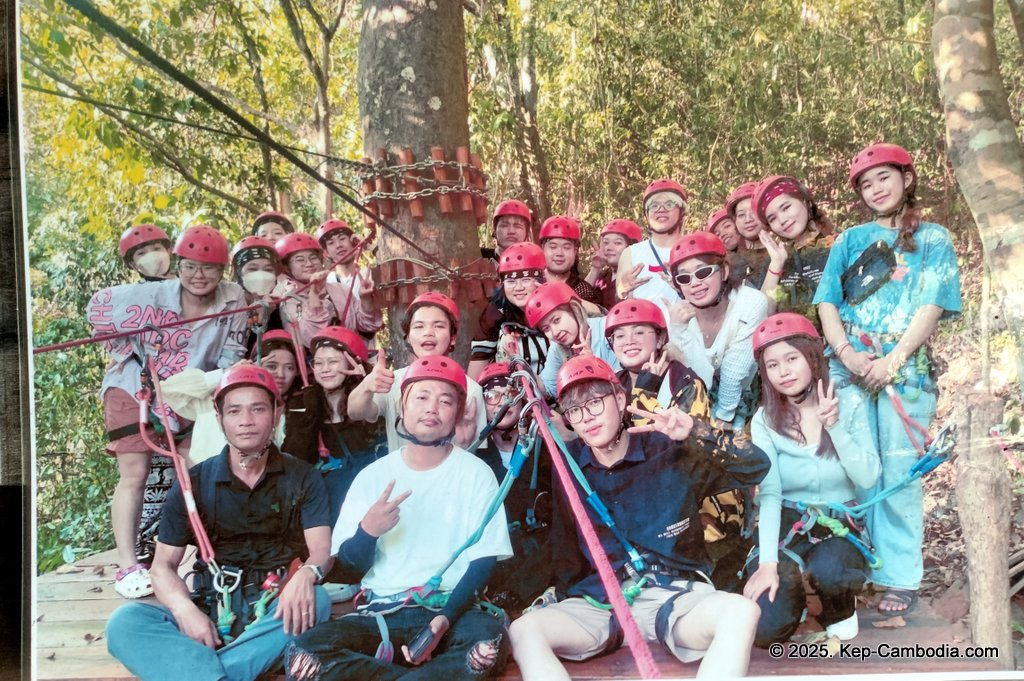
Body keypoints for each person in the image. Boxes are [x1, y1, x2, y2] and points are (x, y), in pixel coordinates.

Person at [508, 356, 769, 679]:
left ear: (620, 400)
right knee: (524, 631)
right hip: (599, 602)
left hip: (673, 595)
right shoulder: (566, 465)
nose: (586, 417)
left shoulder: (667, 449)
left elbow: (756, 467)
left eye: (595, 402)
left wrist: (695, 431)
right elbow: (547, 533)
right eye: (574, 409)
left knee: (741, 612)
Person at [285, 357, 513, 681]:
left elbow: (483, 561)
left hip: (452, 611)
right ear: (401, 407)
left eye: (445, 400)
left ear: (459, 412)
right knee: (303, 657)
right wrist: (368, 531)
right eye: (421, 397)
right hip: (382, 613)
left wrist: (444, 620)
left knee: (486, 646)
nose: (432, 407)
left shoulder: (477, 474)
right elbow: (348, 570)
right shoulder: (373, 476)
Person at [106, 365, 332, 681]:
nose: (246, 421)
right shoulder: (194, 483)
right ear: (219, 418)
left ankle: (202, 672)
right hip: (211, 605)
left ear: (276, 414)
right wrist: (185, 611)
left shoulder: (302, 477)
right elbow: (161, 568)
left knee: (318, 601)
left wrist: (307, 575)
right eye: (234, 411)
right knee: (125, 622)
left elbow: (321, 551)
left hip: (274, 606)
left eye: (258, 409)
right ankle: (224, 671)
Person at [813, 142, 961, 615]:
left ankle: (898, 577)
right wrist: (846, 352)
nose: (877, 188)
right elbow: (827, 301)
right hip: (850, 362)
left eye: (884, 177)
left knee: (899, 470)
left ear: (907, 178)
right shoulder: (850, 239)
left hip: (905, 368)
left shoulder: (934, 238)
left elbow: (932, 304)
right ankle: (861, 568)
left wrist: (893, 359)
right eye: (866, 182)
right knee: (857, 467)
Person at [88, 225, 249, 599]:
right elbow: (96, 309)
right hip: (135, 385)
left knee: (199, 468)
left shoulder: (233, 299)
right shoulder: (152, 294)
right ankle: (128, 564)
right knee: (135, 473)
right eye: (190, 267)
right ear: (177, 265)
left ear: (222, 270)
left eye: (209, 268)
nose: (199, 276)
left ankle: (195, 556)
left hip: (192, 389)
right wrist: (130, 333)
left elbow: (231, 355)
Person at [742, 313, 880, 644]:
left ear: (813, 357)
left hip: (838, 522)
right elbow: (771, 493)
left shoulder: (849, 402)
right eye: (772, 365)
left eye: (792, 358)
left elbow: (868, 477)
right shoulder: (765, 419)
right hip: (788, 520)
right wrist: (767, 564)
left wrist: (834, 426)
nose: (783, 371)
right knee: (765, 629)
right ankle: (795, 600)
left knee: (830, 571)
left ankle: (839, 607)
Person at [605, 299, 748, 589]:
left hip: (696, 503)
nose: (628, 341)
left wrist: (645, 388)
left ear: (660, 338)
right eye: (619, 335)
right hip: (647, 497)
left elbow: (670, 453)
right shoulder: (614, 383)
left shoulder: (683, 381)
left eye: (639, 332)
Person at [348, 292, 488, 452]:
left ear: (453, 337)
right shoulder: (392, 381)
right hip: (399, 476)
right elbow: (355, 413)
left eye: (439, 326)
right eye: (419, 326)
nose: (428, 332)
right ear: (407, 337)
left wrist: (463, 444)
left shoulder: (470, 390)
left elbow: (477, 455)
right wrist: (366, 386)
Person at [283, 326, 387, 527]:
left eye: (333, 362)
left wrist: (365, 385)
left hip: (369, 503)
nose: (324, 369)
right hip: (325, 510)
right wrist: (310, 415)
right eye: (318, 363)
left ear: (352, 363)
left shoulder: (372, 402)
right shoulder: (303, 403)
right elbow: (295, 461)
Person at [666, 232, 770, 430]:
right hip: (697, 401)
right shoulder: (678, 316)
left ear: (724, 272)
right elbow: (697, 377)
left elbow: (735, 369)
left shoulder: (750, 302)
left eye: (703, 272)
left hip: (744, 399)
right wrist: (679, 331)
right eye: (684, 278)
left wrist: (722, 418)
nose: (695, 283)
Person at [474, 362, 553, 616]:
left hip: (540, 558)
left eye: (510, 392)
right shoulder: (475, 459)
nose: (501, 402)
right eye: (490, 395)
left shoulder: (547, 451)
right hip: (498, 561)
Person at [751, 175, 836, 322]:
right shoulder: (779, 259)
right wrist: (776, 264)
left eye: (786, 208)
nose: (782, 220)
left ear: (804, 201)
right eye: (772, 219)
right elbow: (764, 316)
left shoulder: (839, 244)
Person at [469, 242, 552, 380]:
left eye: (526, 280)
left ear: (541, 280)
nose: (518, 287)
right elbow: (479, 359)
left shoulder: (557, 305)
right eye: (511, 281)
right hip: (511, 387)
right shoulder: (496, 311)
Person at [524, 281, 620, 396]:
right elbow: (547, 388)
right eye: (546, 329)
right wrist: (522, 366)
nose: (555, 333)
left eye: (557, 320)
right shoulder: (556, 349)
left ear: (574, 308)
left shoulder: (607, 328)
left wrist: (592, 364)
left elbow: (628, 377)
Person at [615, 179, 688, 318]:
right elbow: (620, 302)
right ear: (646, 214)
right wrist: (622, 290)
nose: (661, 209)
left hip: (689, 334)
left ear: (682, 211)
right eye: (654, 205)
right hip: (645, 335)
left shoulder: (694, 248)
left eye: (669, 204)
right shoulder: (631, 253)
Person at [315, 219, 383, 350]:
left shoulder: (368, 275)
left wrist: (368, 245)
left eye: (342, 239)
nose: (338, 245)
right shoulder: (326, 283)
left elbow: (392, 265)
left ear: (353, 242)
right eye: (331, 243)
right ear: (326, 252)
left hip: (367, 351)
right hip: (337, 351)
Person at [273, 232, 335, 348]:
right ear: (287, 267)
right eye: (300, 260)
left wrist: (366, 302)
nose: (309, 264)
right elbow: (312, 339)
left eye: (313, 258)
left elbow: (367, 326)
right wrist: (314, 294)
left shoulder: (338, 290)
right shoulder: (288, 299)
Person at [538, 215, 602, 306]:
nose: (559, 253)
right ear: (542, 248)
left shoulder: (585, 292)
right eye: (553, 247)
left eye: (567, 247)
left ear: (575, 250)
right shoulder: (529, 283)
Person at [584, 219, 644, 309]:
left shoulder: (641, 276)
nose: (609, 248)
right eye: (606, 243)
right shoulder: (602, 277)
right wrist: (595, 269)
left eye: (617, 243)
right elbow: (577, 300)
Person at [726, 181, 770, 288]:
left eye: (753, 212)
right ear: (735, 220)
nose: (748, 219)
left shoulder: (786, 252)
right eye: (741, 215)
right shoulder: (728, 263)